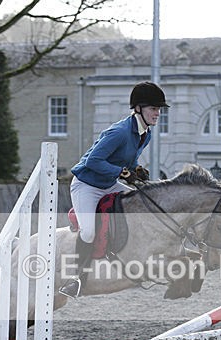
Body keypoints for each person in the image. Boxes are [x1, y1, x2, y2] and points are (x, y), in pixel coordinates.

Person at [58, 81, 170, 298]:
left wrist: (135, 169)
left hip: (108, 183)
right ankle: (76, 279)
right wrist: (123, 172)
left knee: (142, 203)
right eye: (153, 109)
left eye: (159, 109)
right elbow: (93, 161)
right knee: (88, 231)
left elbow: (126, 160)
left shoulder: (145, 133)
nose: (157, 113)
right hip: (87, 186)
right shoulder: (118, 132)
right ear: (138, 108)